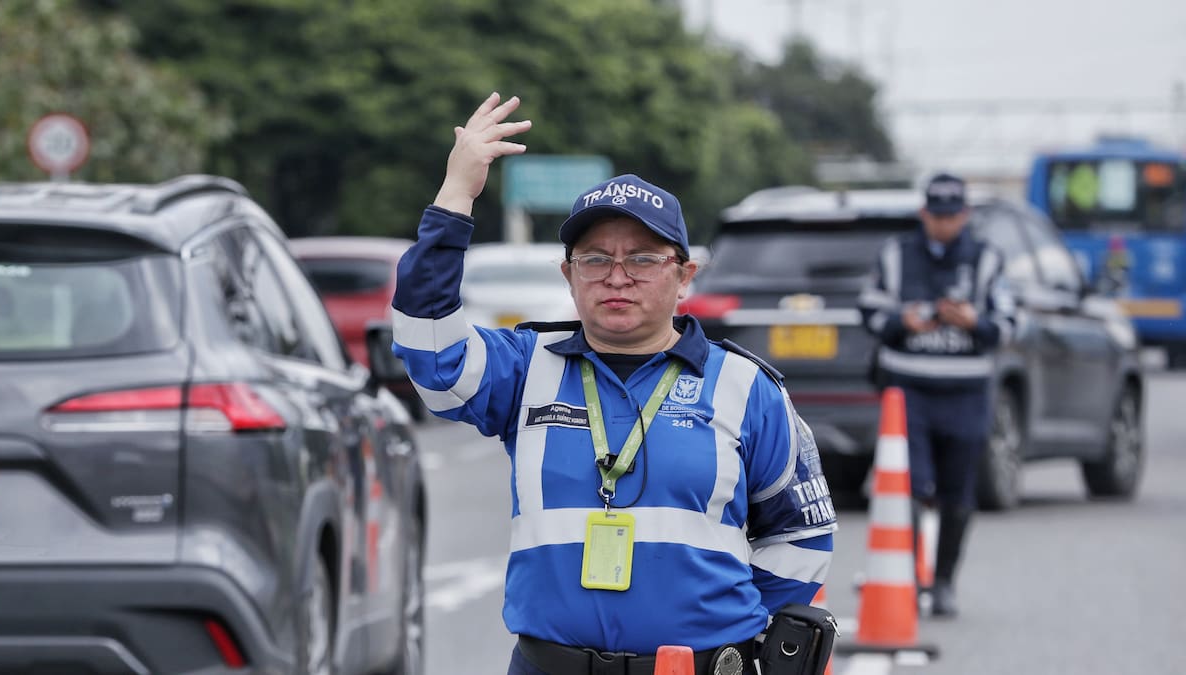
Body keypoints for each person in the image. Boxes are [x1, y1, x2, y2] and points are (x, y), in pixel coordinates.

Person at [391, 92, 837, 675]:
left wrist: (732, 633)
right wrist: (456, 196)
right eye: (595, 259)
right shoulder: (526, 367)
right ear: (568, 275)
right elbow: (429, 350)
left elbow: (802, 533)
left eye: (643, 259)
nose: (617, 277)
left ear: (683, 277)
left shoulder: (746, 386)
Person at [857, 172, 1016, 618]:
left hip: (966, 394)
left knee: (958, 493)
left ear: (963, 215)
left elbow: (1007, 325)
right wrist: (903, 321)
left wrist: (971, 321)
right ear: (924, 213)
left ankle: (944, 580)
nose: (943, 224)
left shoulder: (986, 259)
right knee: (910, 486)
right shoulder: (896, 255)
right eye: (936, 215)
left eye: (952, 216)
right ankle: (906, 575)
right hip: (907, 393)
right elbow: (868, 311)